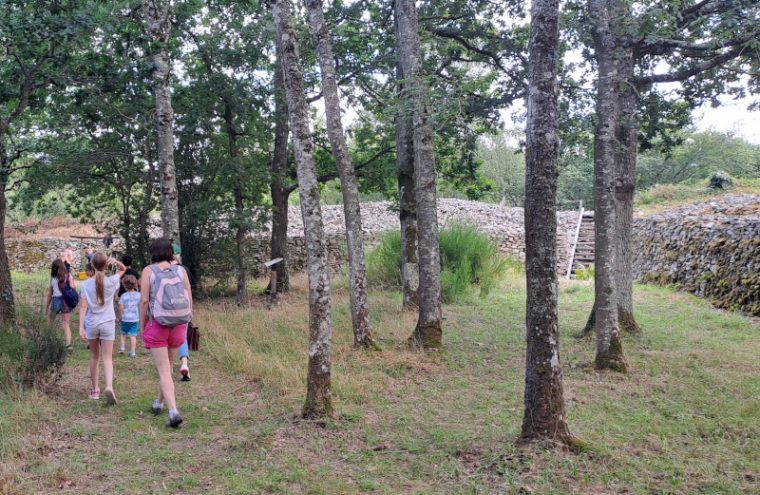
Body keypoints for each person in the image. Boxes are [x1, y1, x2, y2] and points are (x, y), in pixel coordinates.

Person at [140, 238, 192, 427]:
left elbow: (144, 301)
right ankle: (159, 402)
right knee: (168, 367)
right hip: (179, 323)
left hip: (159, 324)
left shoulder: (148, 271)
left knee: (163, 370)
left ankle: (173, 411)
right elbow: (188, 293)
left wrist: (142, 324)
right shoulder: (180, 270)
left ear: (152, 252)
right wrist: (188, 319)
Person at [78, 253, 126, 404]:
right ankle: (109, 386)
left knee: (94, 356)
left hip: (92, 323)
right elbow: (123, 269)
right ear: (106, 265)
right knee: (107, 357)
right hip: (108, 322)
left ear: (91, 265)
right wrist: (116, 262)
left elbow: (83, 307)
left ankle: (95, 390)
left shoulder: (85, 285)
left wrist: (81, 327)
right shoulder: (112, 281)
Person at [45, 259, 76, 351]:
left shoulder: (53, 278)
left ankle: (48, 339)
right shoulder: (68, 276)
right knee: (66, 323)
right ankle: (69, 344)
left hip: (56, 301)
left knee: (51, 320)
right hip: (66, 301)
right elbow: (73, 286)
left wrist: (46, 307)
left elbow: (50, 294)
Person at [118, 275, 140, 357]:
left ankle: (122, 347)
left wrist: (119, 317)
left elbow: (120, 307)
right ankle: (133, 352)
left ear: (124, 285)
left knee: (123, 333)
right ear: (135, 284)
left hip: (125, 318)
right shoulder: (139, 295)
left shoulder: (123, 296)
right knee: (133, 335)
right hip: (134, 319)